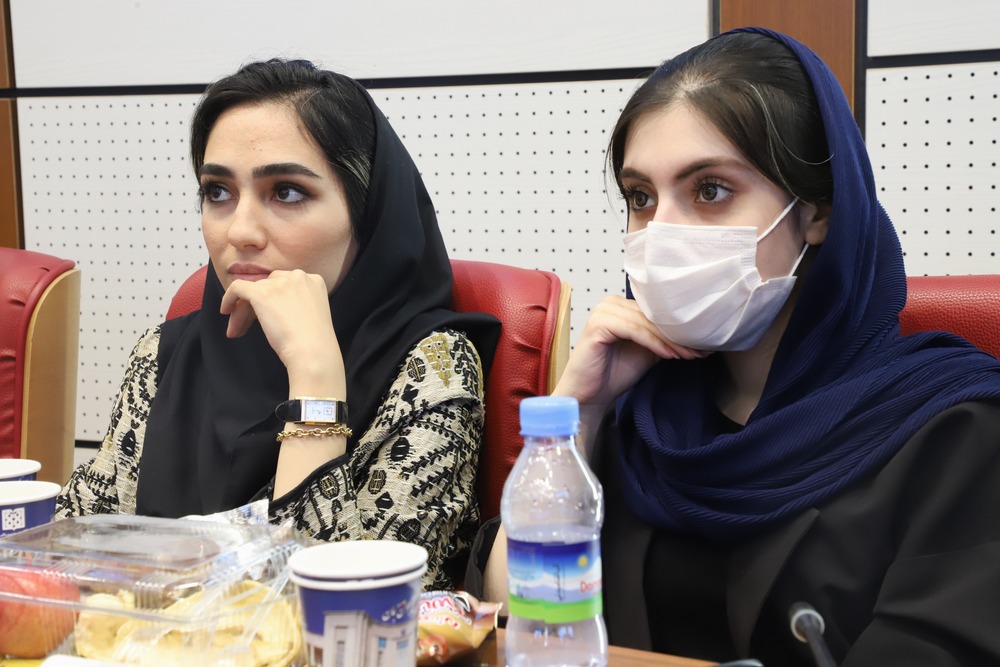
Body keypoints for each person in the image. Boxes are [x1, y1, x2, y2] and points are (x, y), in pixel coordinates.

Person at [469, 27, 1000, 666]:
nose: (661, 233)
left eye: (710, 190)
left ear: (816, 212)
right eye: (640, 197)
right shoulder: (638, 419)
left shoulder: (957, 432)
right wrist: (578, 412)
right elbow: (517, 621)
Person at [57, 58, 500, 590]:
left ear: (367, 214)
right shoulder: (164, 356)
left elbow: (351, 611)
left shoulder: (432, 367)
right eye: (218, 192)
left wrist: (315, 376)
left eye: (286, 191)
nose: (240, 231)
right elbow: (65, 563)